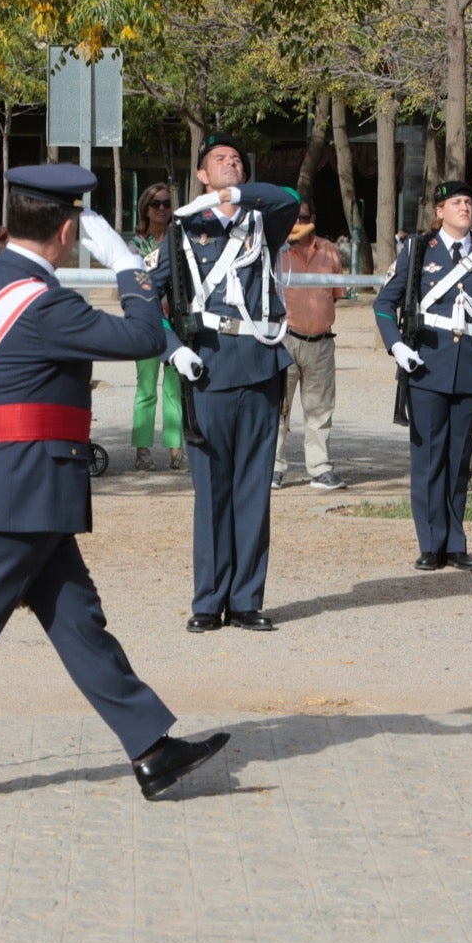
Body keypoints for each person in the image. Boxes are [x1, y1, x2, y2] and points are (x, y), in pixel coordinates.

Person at [0, 164, 230, 808]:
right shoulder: (46, 303)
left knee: (78, 620)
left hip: (10, 478)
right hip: (25, 484)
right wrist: (127, 265)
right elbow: (145, 335)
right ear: (67, 229)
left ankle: (151, 748)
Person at [147, 134, 298, 634]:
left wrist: (235, 196)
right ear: (201, 175)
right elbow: (148, 299)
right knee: (212, 490)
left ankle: (247, 598)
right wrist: (173, 349)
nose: (231, 163)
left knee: (254, 487)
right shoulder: (183, 230)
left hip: (258, 363)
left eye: (238, 159)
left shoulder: (261, 221)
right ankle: (209, 601)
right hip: (207, 366)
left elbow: (289, 201)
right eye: (220, 160)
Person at [374, 180, 472, 571]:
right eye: (456, 202)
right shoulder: (418, 251)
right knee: (429, 460)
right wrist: (397, 345)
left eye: (469, 202)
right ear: (439, 212)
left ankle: (456, 542)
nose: (465, 207)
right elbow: (385, 302)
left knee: (458, 461)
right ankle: (431, 542)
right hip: (428, 365)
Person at [273, 195, 346, 491]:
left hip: (321, 343)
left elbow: (335, 295)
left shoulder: (330, 252)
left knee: (320, 410)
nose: (299, 224)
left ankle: (320, 468)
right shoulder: (276, 252)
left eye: (304, 218)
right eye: (293, 218)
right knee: (278, 409)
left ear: (313, 219)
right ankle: (273, 468)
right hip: (285, 341)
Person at [130, 183, 185, 472]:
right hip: (148, 323)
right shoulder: (137, 244)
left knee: (175, 389)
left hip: (177, 323)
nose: (162, 208)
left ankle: (176, 451)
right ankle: (143, 451)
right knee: (146, 388)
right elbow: (134, 281)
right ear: (145, 209)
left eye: (166, 203)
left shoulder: (180, 239)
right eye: (156, 204)